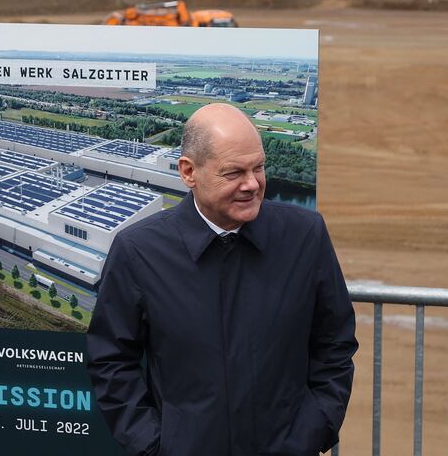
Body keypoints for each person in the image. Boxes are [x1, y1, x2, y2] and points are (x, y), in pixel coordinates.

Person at [87, 103, 357, 456]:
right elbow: (111, 360)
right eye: (233, 173)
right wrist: (155, 446)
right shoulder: (138, 252)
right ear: (188, 172)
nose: (252, 184)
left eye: (259, 167)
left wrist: (315, 427)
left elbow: (335, 341)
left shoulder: (305, 235)